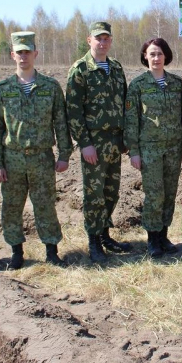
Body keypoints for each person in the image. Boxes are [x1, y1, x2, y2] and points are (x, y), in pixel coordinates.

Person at [0, 31, 73, 269]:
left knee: (45, 204)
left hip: (41, 157)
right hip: (12, 158)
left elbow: (61, 123)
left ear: (35, 54)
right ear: (12, 55)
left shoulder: (50, 87)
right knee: (12, 206)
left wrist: (64, 154)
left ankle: (52, 251)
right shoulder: (3, 89)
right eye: (19, 52)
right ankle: (16, 252)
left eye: (28, 52)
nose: (23, 56)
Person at [66, 21, 132, 264]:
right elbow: (73, 111)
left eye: (106, 39)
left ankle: (105, 235)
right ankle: (93, 241)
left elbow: (124, 103)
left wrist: (125, 138)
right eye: (98, 38)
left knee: (111, 192)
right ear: (89, 40)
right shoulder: (80, 69)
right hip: (94, 142)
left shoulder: (115, 67)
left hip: (115, 141)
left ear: (111, 41)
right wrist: (85, 143)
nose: (102, 43)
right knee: (94, 194)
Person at [124, 38, 182, 258]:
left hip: (174, 147)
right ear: (145, 56)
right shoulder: (138, 85)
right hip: (149, 148)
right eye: (151, 54)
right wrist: (133, 151)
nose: (156, 58)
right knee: (154, 194)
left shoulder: (177, 83)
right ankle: (152, 240)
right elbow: (131, 120)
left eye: (159, 54)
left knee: (170, 193)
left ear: (166, 56)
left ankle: (163, 235)